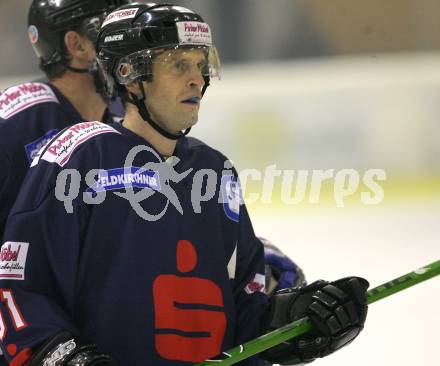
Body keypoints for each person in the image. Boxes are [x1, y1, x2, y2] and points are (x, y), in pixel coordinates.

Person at [0, 3, 368, 366]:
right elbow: (20, 288)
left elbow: (241, 314)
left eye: (200, 64)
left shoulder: (215, 170)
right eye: (178, 65)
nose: (197, 79)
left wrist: (297, 322)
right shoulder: (76, 155)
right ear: (130, 73)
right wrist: (63, 356)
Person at [0, 0, 131, 240]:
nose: (129, 48)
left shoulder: (123, 118)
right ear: (77, 45)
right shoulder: (14, 124)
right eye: (115, 35)